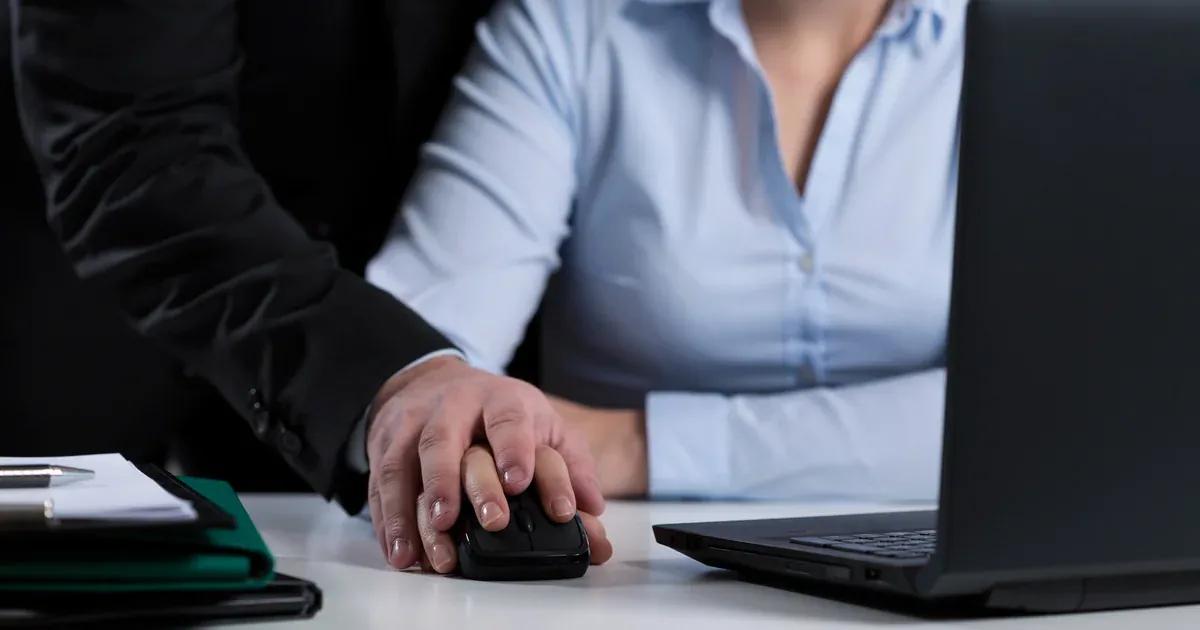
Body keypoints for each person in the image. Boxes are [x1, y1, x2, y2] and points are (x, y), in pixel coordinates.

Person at [10, 0, 611, 575]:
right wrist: (395, 376)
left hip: (413, 359)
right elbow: (136, 144)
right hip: (107, 339)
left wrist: (437, 398)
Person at [369, 0, 964, 502]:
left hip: (944, 567)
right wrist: (451, 416)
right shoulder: (571, 25)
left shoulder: (1009, 43)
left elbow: (1017, 420)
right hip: (618, 567)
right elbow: (417, 375)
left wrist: (633, 446)